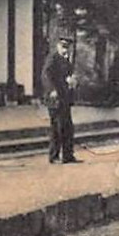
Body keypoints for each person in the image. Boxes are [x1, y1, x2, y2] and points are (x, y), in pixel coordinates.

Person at [41, 35, 78, 164]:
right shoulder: (53, 58)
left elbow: (68, 76)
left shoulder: (67, 61)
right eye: (63, 46)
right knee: (57, 128)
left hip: (65, 99)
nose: (65, 49)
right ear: (58, 46)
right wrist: (52, 90)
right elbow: (46, 75)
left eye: (67, 47)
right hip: (55, 99)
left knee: (68, 127)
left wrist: (72, 82)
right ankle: (54, 156)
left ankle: (68, 156)